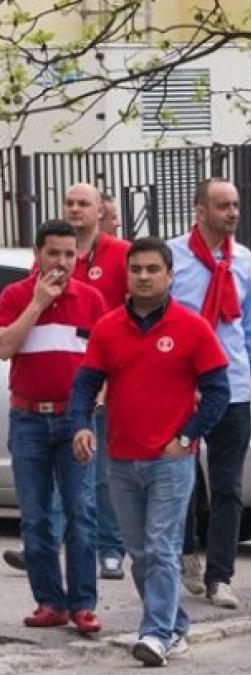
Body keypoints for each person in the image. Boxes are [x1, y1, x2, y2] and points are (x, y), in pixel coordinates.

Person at [69, 237, 230, 666]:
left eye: (152, 269)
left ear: (169, 275)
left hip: (170, 459)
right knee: (139, 552)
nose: (143, 276)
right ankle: (174, 624)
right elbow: (86, 382)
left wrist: (187, 436)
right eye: (136, 269)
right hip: (121, 458)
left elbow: (218, 391)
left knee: (160, 548)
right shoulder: (108, 328)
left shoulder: (191, 325)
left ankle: (155, 633)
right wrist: (81, 425)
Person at [167, 178, 251, 609]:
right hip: (184, 387)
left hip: (230, 384)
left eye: (235, 204)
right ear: (200, 210)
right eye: (223, 205)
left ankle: (221, 576)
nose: (232, 212)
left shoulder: (245, 261)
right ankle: (187, 550)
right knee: (182, 479)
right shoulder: (173, 256)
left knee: (228, 486)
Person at [0, 220, 107, 634]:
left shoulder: (93, 300)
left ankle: (82, 604)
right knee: (36, 516)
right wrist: (38, 303)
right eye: (53, 254)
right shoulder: (14, 296)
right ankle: (49, 602)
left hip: (74, 420)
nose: (62, 263)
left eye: (69, 254)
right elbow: (6, 346)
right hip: (28, 419)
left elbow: (105, 363)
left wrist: (92, 411)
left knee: (82, 510)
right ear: (37, 254)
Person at [67, 183, 133, 581]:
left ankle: (112, 549)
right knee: (67, 468)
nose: (75, 210)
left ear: (100, 210)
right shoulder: (57, 253)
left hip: (109, 376)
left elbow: (135, 307)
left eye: (83, 204)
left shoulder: (120, 255)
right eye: (70, 203)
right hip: (67, 376)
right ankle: (55, 541)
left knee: (104, 469)